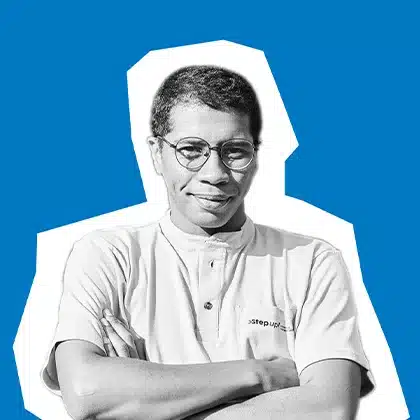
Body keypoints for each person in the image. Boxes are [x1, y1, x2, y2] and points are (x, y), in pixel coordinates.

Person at [42, 65, 373, 420]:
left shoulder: (311, 261)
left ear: (256, 155)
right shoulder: (110, 256)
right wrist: (259, 374)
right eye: (191, 149)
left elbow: (329, 408)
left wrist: (144, 400)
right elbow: (85, 391)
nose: (215, 173)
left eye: (235, 151)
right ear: (156, 153)